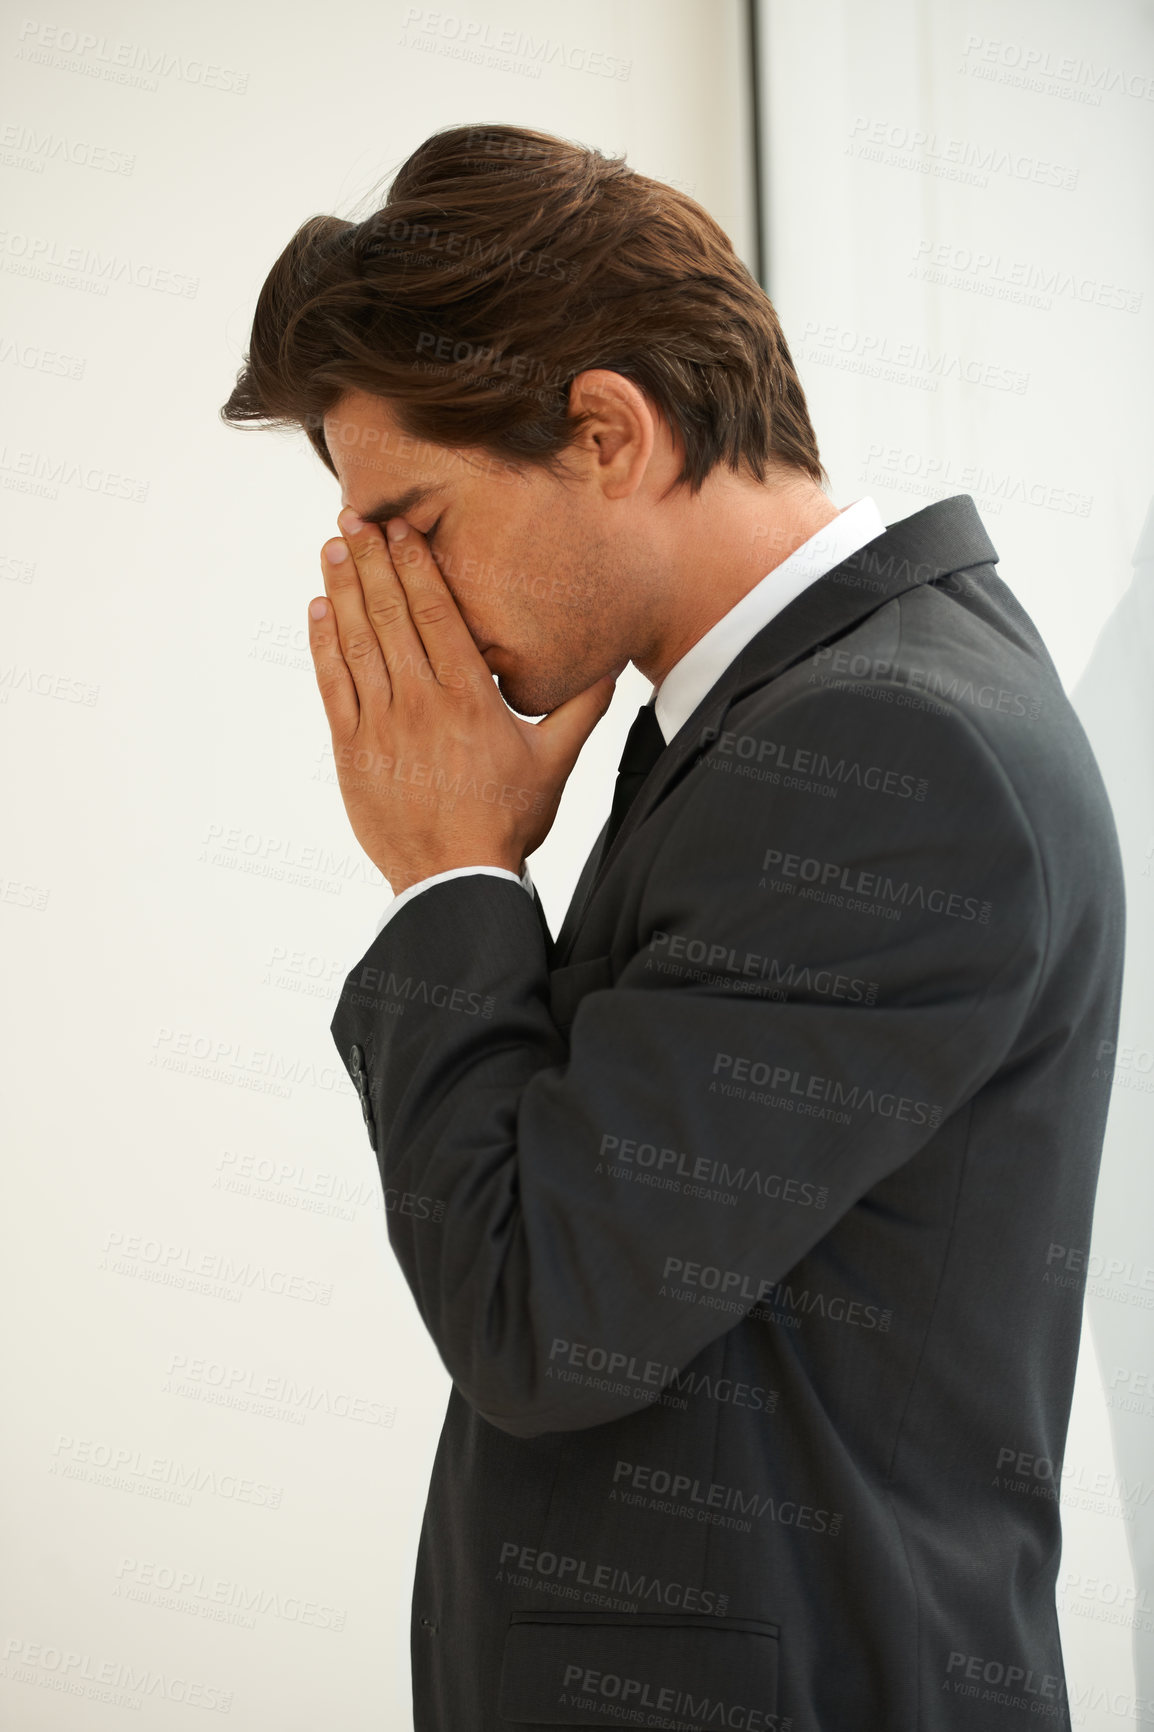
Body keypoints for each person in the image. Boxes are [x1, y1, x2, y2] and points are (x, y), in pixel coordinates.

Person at [220, 122, 1126, 1732]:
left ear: (604, 433)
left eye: (409, 522)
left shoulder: (883, 755)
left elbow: (543, 1312)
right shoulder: (799, 718)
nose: (378, 596)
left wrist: (449, 873)